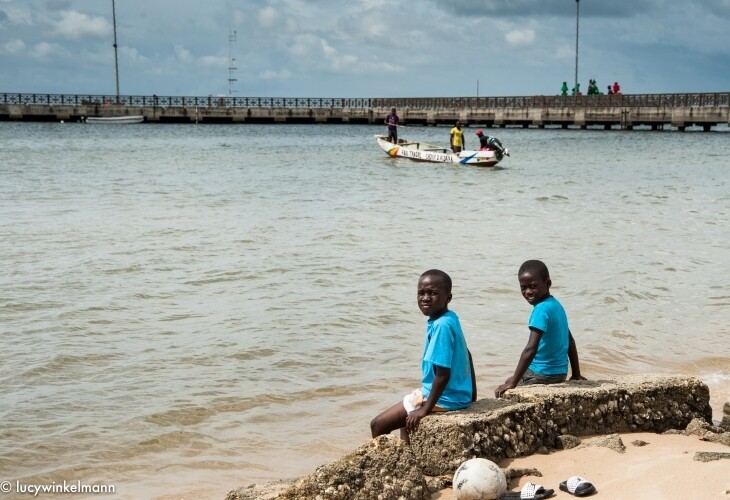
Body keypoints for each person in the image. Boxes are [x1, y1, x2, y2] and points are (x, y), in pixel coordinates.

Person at [371, 270, 476, 444]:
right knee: (406, 419)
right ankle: (408, 456)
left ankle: (390, 464)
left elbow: (443, 375)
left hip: (447, 398)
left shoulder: (442, 325)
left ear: (447, 298)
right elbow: (468, 354)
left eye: (433, 293)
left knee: (378, 425)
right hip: (456, 394)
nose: (425, 298)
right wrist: (471, 393)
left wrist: (425, 410)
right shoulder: (449, 318)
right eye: (421, 293)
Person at [495, 260, 586, 398]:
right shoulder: (556, 305)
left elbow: (531, 349)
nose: (528, 292)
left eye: (533, 286)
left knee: (505, 387)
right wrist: (576, 373)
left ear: (548, 284)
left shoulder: (541, 310)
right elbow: (570, 341)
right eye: (523, 288)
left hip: (543, 373)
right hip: (560, 373)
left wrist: (512, 383)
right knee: (510, 379)